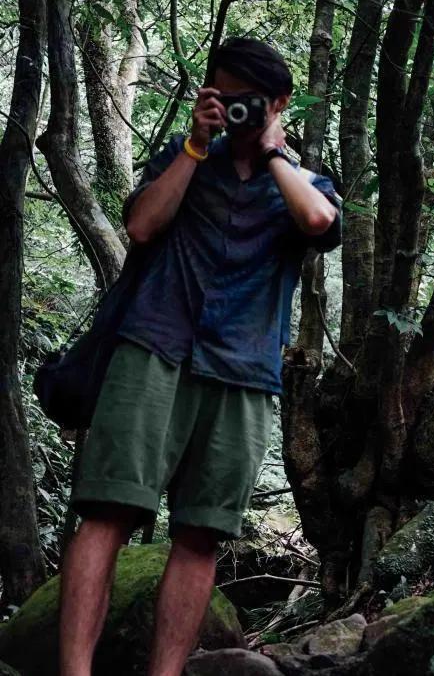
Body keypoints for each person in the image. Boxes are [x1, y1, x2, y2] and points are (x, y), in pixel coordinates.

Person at [57, 37, 342, 676]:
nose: (237, 110)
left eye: (251, 100)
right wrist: (194, 145)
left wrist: (274, 153)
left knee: (201, 532)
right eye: (225, 96)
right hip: (154, 348)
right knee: (107, 512)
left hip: (242, 370)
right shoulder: (184, 158)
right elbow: (142, 226)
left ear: (279, 103)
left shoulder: (303, 183)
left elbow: (320, 222)